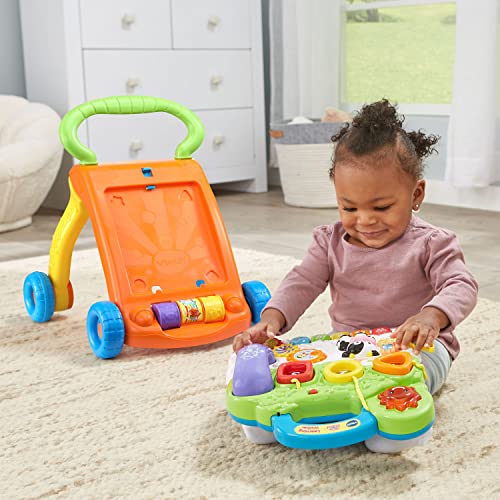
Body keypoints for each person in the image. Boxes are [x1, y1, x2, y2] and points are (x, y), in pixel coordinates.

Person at [231, 100, 478, 449]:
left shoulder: (431, 243)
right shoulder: (328, 241)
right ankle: (287, 413)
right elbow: (302, 281)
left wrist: (431, 316)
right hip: (347, 347)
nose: (365, 220)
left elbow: (461, 284)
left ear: (416, 194)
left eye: (382, 207)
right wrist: (271, 320)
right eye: (349, 207)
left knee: (402, 381)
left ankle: (394, 420)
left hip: (418, 347)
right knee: (300, 375)